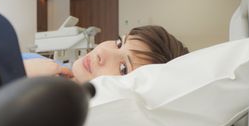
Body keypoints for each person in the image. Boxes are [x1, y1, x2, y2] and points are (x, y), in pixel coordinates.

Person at [24, 25, 189, 82]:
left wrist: (18, 72)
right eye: (119, 43)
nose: (102, 51)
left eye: (124, 68)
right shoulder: (39, 62)